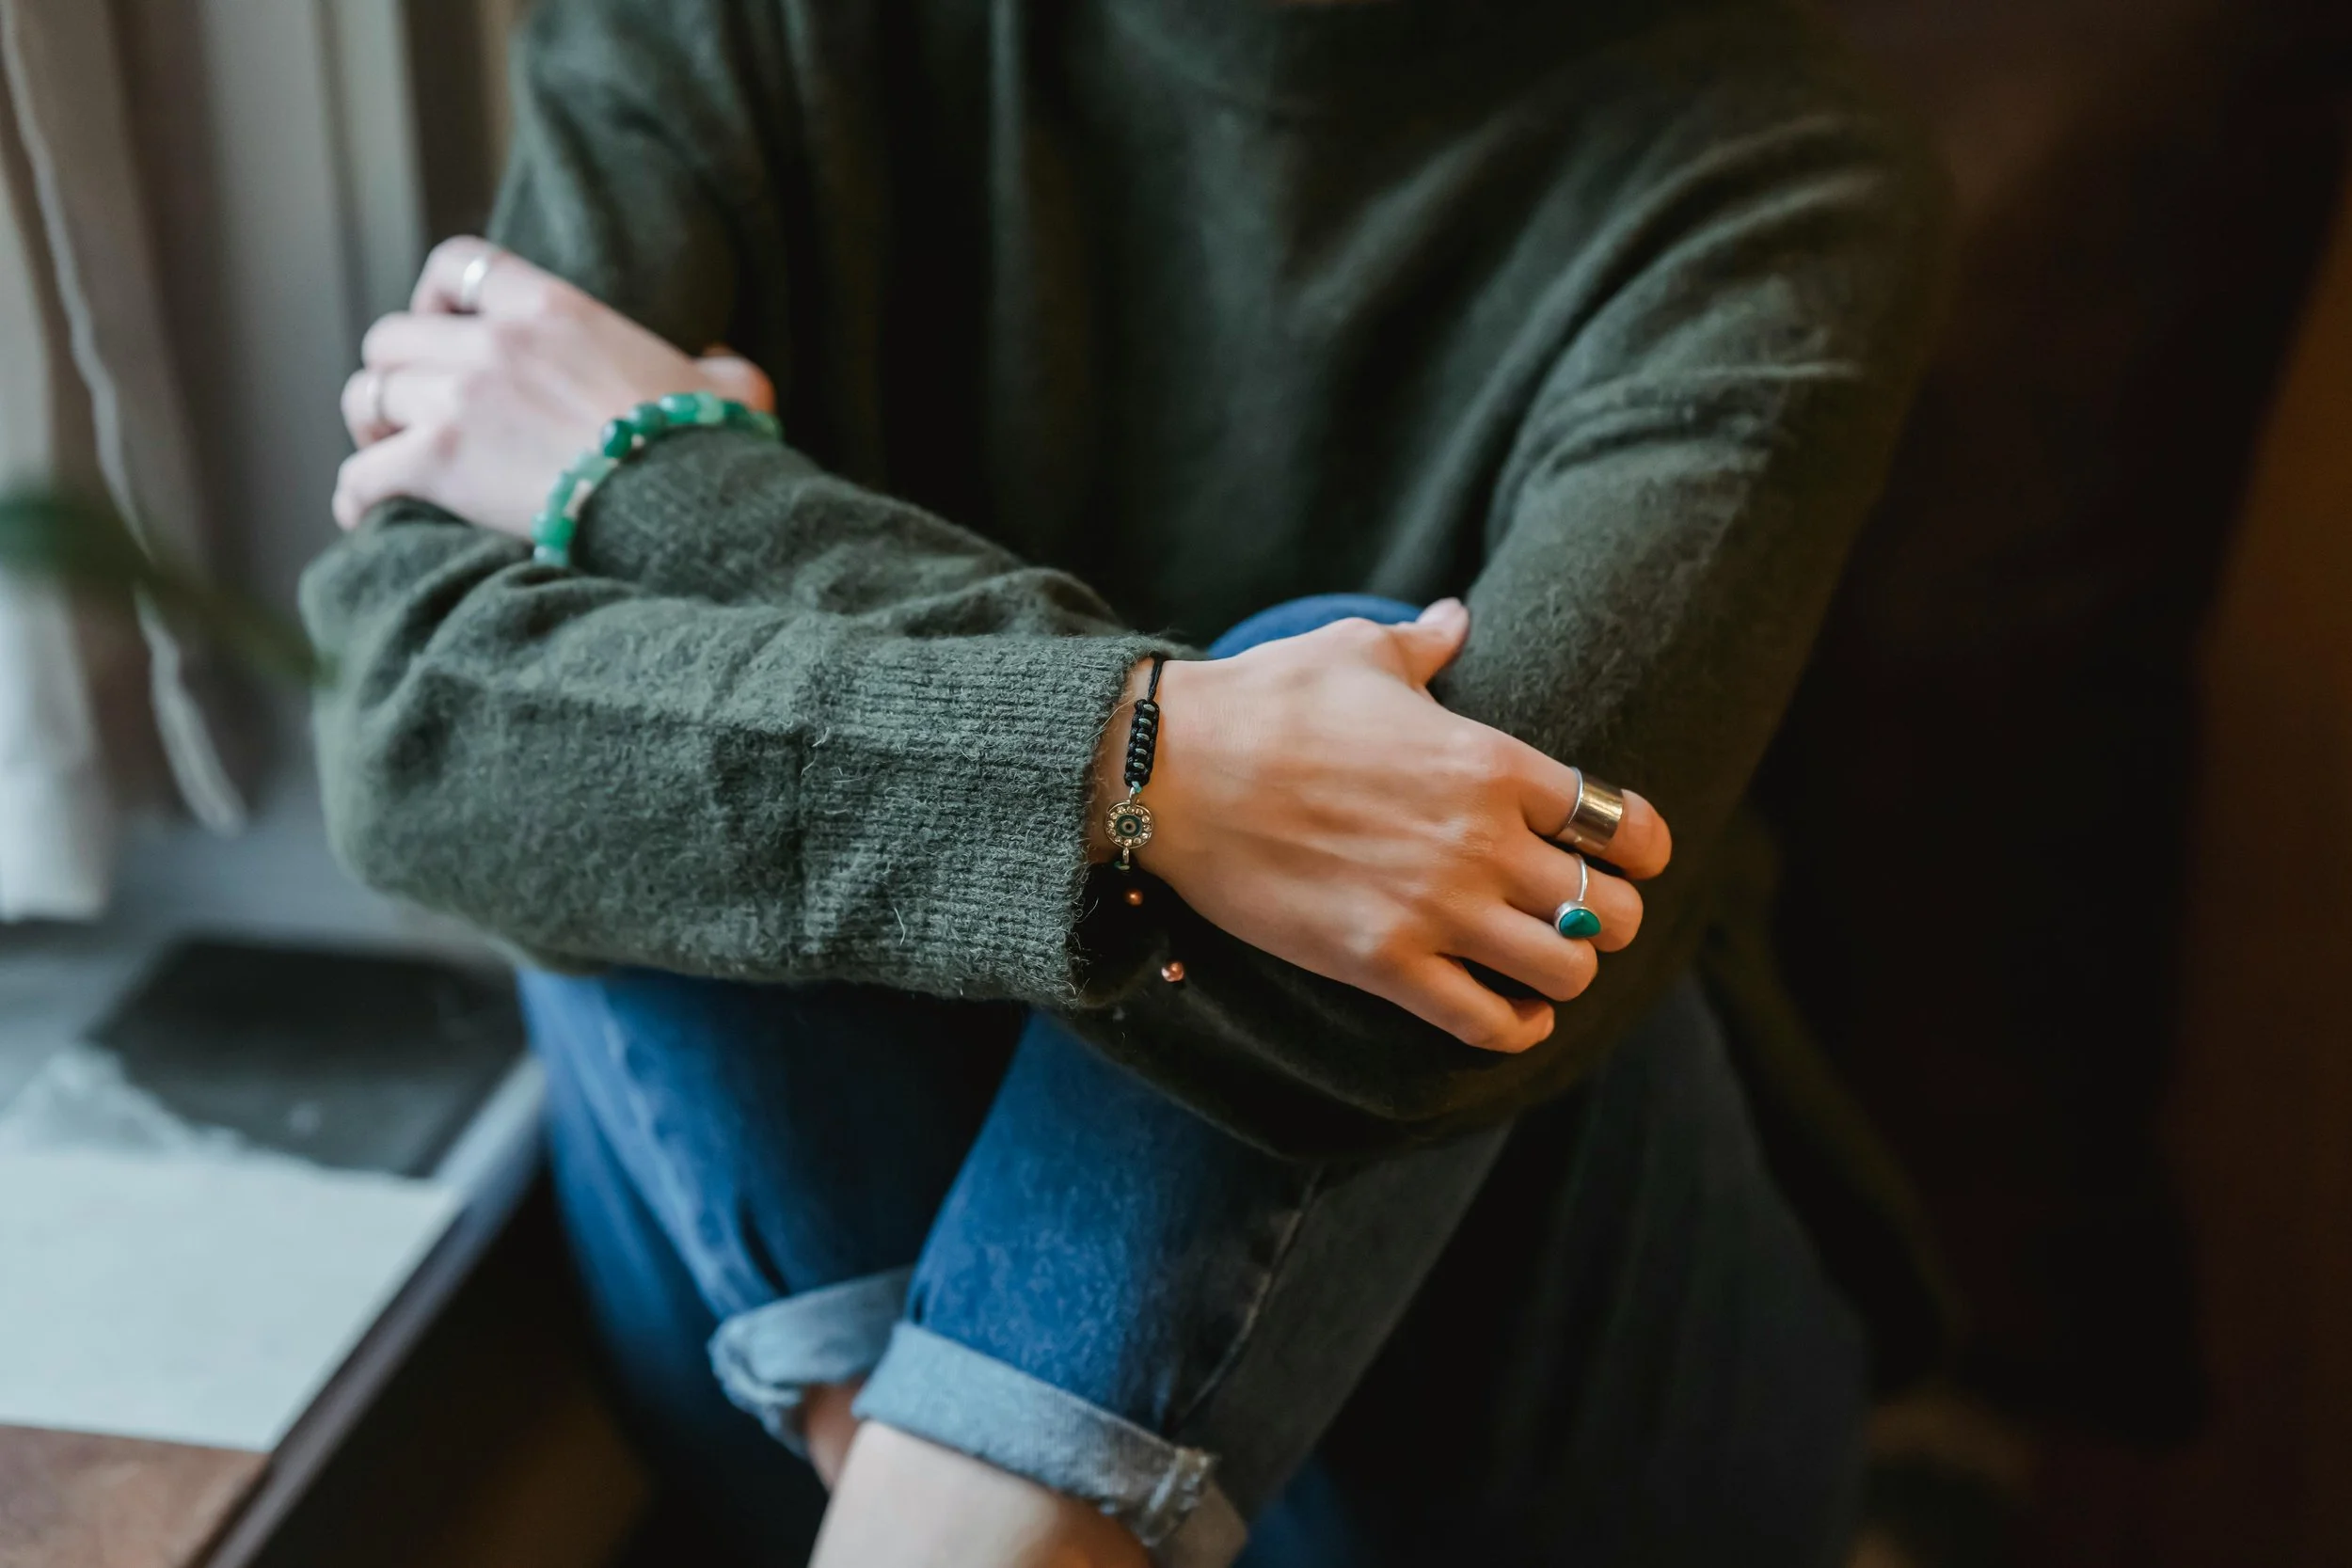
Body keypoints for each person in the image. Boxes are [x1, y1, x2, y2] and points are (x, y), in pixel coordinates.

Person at [300, 0, 1950, 1561]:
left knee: (1404, 716)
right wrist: (1157, 764)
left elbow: (1534, 902)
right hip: (824, 1324)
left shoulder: (1777, 171)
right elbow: (405, 715)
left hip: (1528, 1414)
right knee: (618, 746)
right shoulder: (744, 28)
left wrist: (670, 491)